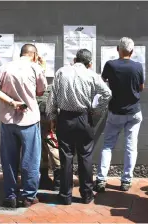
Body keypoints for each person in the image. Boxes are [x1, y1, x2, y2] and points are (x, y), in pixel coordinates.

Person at [46, 49, 111, 205]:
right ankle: (87, 194)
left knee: (65, 157)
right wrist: (96, 110)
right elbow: (107, 93)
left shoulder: (61, 72)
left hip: (65, 118)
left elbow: (52, 98)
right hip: (84, 118)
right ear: (89, 63)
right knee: (85, 156)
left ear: (75, 59)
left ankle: (65, 195)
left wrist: (52, 118)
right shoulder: (92, 75)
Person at [0, 44, 47, 208]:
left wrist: (11, 101)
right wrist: (42, 67)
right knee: (31, 160)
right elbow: (41, 91)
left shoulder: (5, 67)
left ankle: (10, 195)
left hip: (8, 121)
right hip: (29, 120)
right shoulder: (35, 68)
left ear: (21, 53)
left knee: (8, 160)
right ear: (34, 55)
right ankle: (29, 196)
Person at [94, 37, 144, 192]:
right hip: (134, 112)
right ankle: (126, 181)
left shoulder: (110, 65)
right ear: (132, 51)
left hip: (115, 111)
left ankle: (101, 179)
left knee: (108, 145)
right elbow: (141, 87)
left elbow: (101, 83)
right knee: (131, 146)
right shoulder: (137, 67)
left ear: (118, 49)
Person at [37, 86, 61, 191]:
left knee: (42, 150)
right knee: (53, 147)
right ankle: (58, 182)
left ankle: (44, 179)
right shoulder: (55, 86)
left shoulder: (37, 86)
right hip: (49, 119)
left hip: (38, 119)